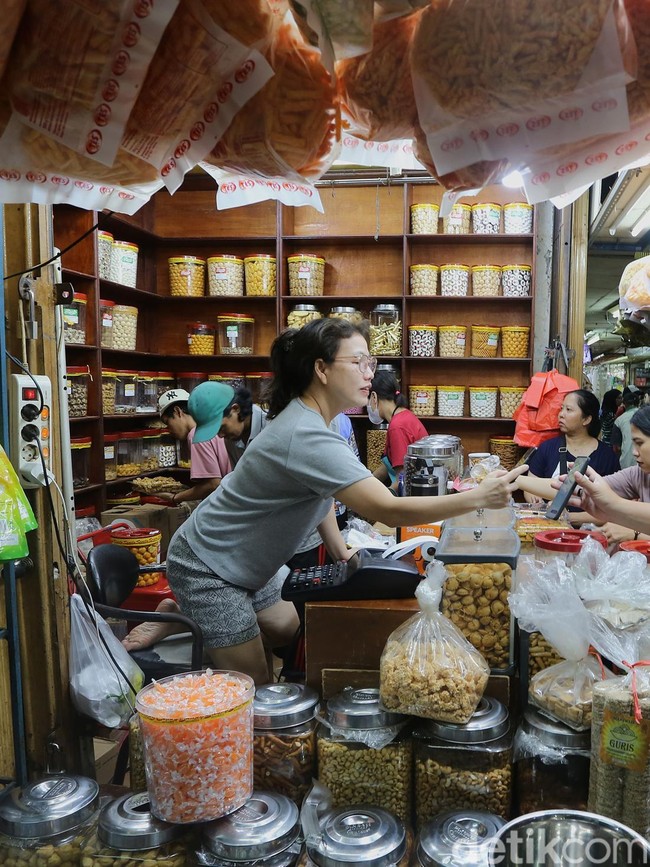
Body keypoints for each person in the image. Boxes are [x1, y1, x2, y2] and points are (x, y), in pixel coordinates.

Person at [150, 318, 525, 684]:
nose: (369, 374)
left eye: (371, 363)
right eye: (358, 362)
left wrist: (340, 551)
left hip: (244, 561)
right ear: (322, 369)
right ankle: (218, 638)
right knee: (253, 684)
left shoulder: (319, 421)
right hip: (207, 564)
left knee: (287, 627)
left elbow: (322, 495)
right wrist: (479, 498)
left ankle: (230, 637)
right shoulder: (305, 433)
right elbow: (386, 508)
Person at [518, 404, 650, 544]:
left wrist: (635, 533)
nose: (634, 452)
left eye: (640, 443)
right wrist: (515, 480)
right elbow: (574, 488)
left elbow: (609, 502)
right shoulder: (638, 474)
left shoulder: (607, 455)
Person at [524, 389, 619, 505]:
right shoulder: (547, 448)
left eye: (568, 410)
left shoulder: (607, 456)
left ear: (586, 419)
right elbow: (530, 486)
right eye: (561, 408)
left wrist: (570, 517)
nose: (561, 414)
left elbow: (611, 504)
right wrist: (536, 501)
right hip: (550, 522)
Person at [155, 386, 233, 505]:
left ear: (178, 411)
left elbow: (213, 484)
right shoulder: (211, 425)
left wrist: (175, 497)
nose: (169, 430)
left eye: (168, 423)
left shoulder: (197, 435)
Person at [368, 370, 428, 490]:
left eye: (367, 398)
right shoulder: (404, 415)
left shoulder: (397, 427)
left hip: (415, 494)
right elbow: (392, 462)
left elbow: (402, 479)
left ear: (374, 397)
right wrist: (366, 484)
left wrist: (379, 500)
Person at [611, 385, 642, 468]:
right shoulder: (646, 415)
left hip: (626, 464)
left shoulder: (619, 420)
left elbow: (616, 447)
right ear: (639, 403)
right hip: (645, 461)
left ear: (624, 404)